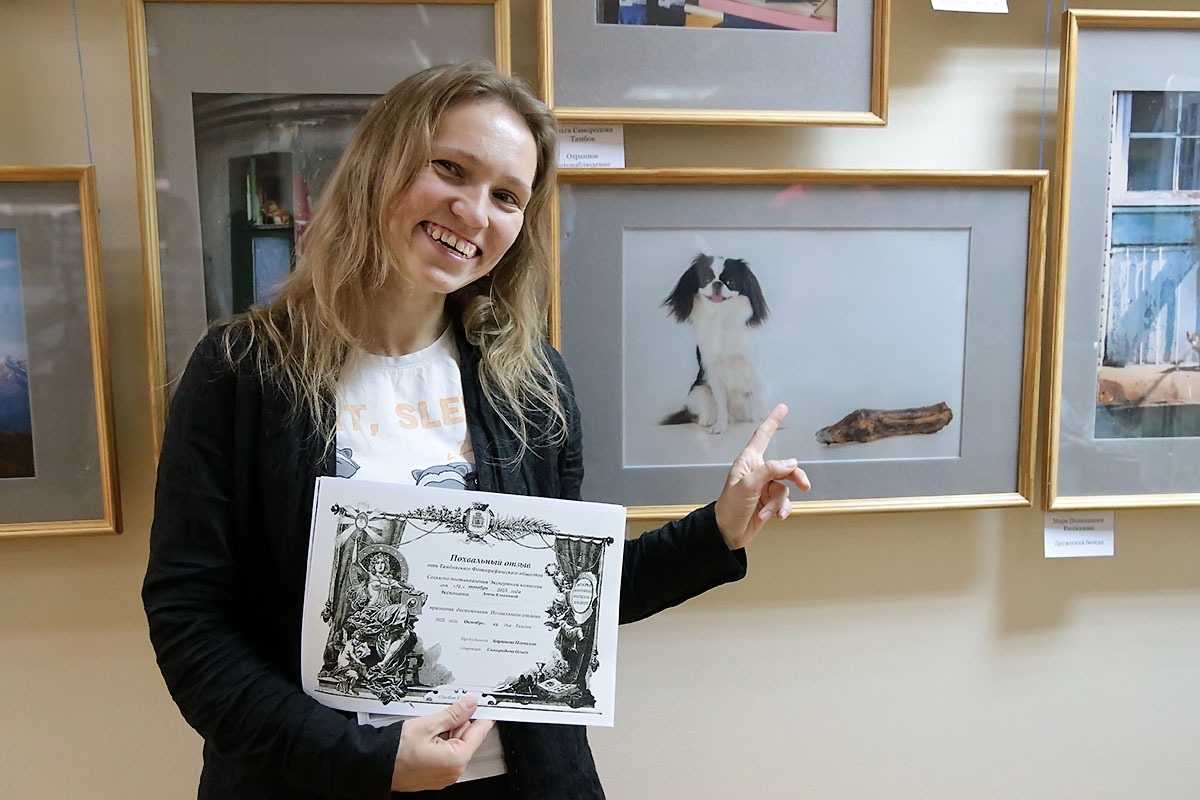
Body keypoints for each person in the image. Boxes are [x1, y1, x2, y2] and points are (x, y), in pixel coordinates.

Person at [143, 61, 810, 800]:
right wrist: (366, 759)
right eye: (450, 170)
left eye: (506, 196)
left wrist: (717, 530)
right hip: (312, 781)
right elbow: (189, 620)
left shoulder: (530, 381)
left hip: (518, 781)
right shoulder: (241, 369)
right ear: (379, 164)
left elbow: (559, 598)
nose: (473, 212)